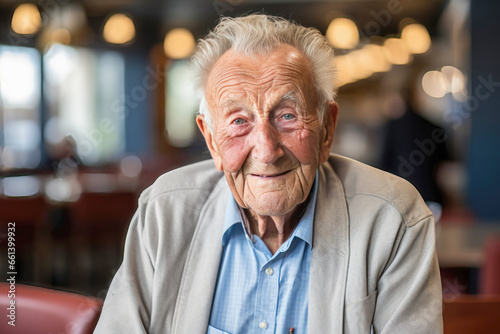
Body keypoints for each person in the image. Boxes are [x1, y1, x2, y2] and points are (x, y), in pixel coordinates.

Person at [94, 14, 443, 334]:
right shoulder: (163, 213)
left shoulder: (394, 219)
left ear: (326, 130)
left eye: (288, 116)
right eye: (239, 122)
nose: (266, 150)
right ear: (212, 141)